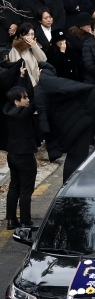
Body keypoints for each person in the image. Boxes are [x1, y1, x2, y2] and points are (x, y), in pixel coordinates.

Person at [35, 62, 95, 183]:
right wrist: (92, 88)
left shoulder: (39, 89)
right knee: (78, 156)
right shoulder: (51, 82)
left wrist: (46, 133)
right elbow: (72, 87)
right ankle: (71, 185)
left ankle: (69, 184)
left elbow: (42, 112)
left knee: (74, 156)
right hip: (78, 121)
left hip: (66, 125)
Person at [4, 85, 38, 230]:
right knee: (26, 189)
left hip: (12, 154)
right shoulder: (22, 114)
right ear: (17, 102)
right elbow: (36, 102)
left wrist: (21, 78)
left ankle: (11, 220)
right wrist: (41, 85)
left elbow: (14, 93)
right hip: (25, 156)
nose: (28, 99)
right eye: (24, 98)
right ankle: (26, 221)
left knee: (14, 187)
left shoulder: (7, 109)